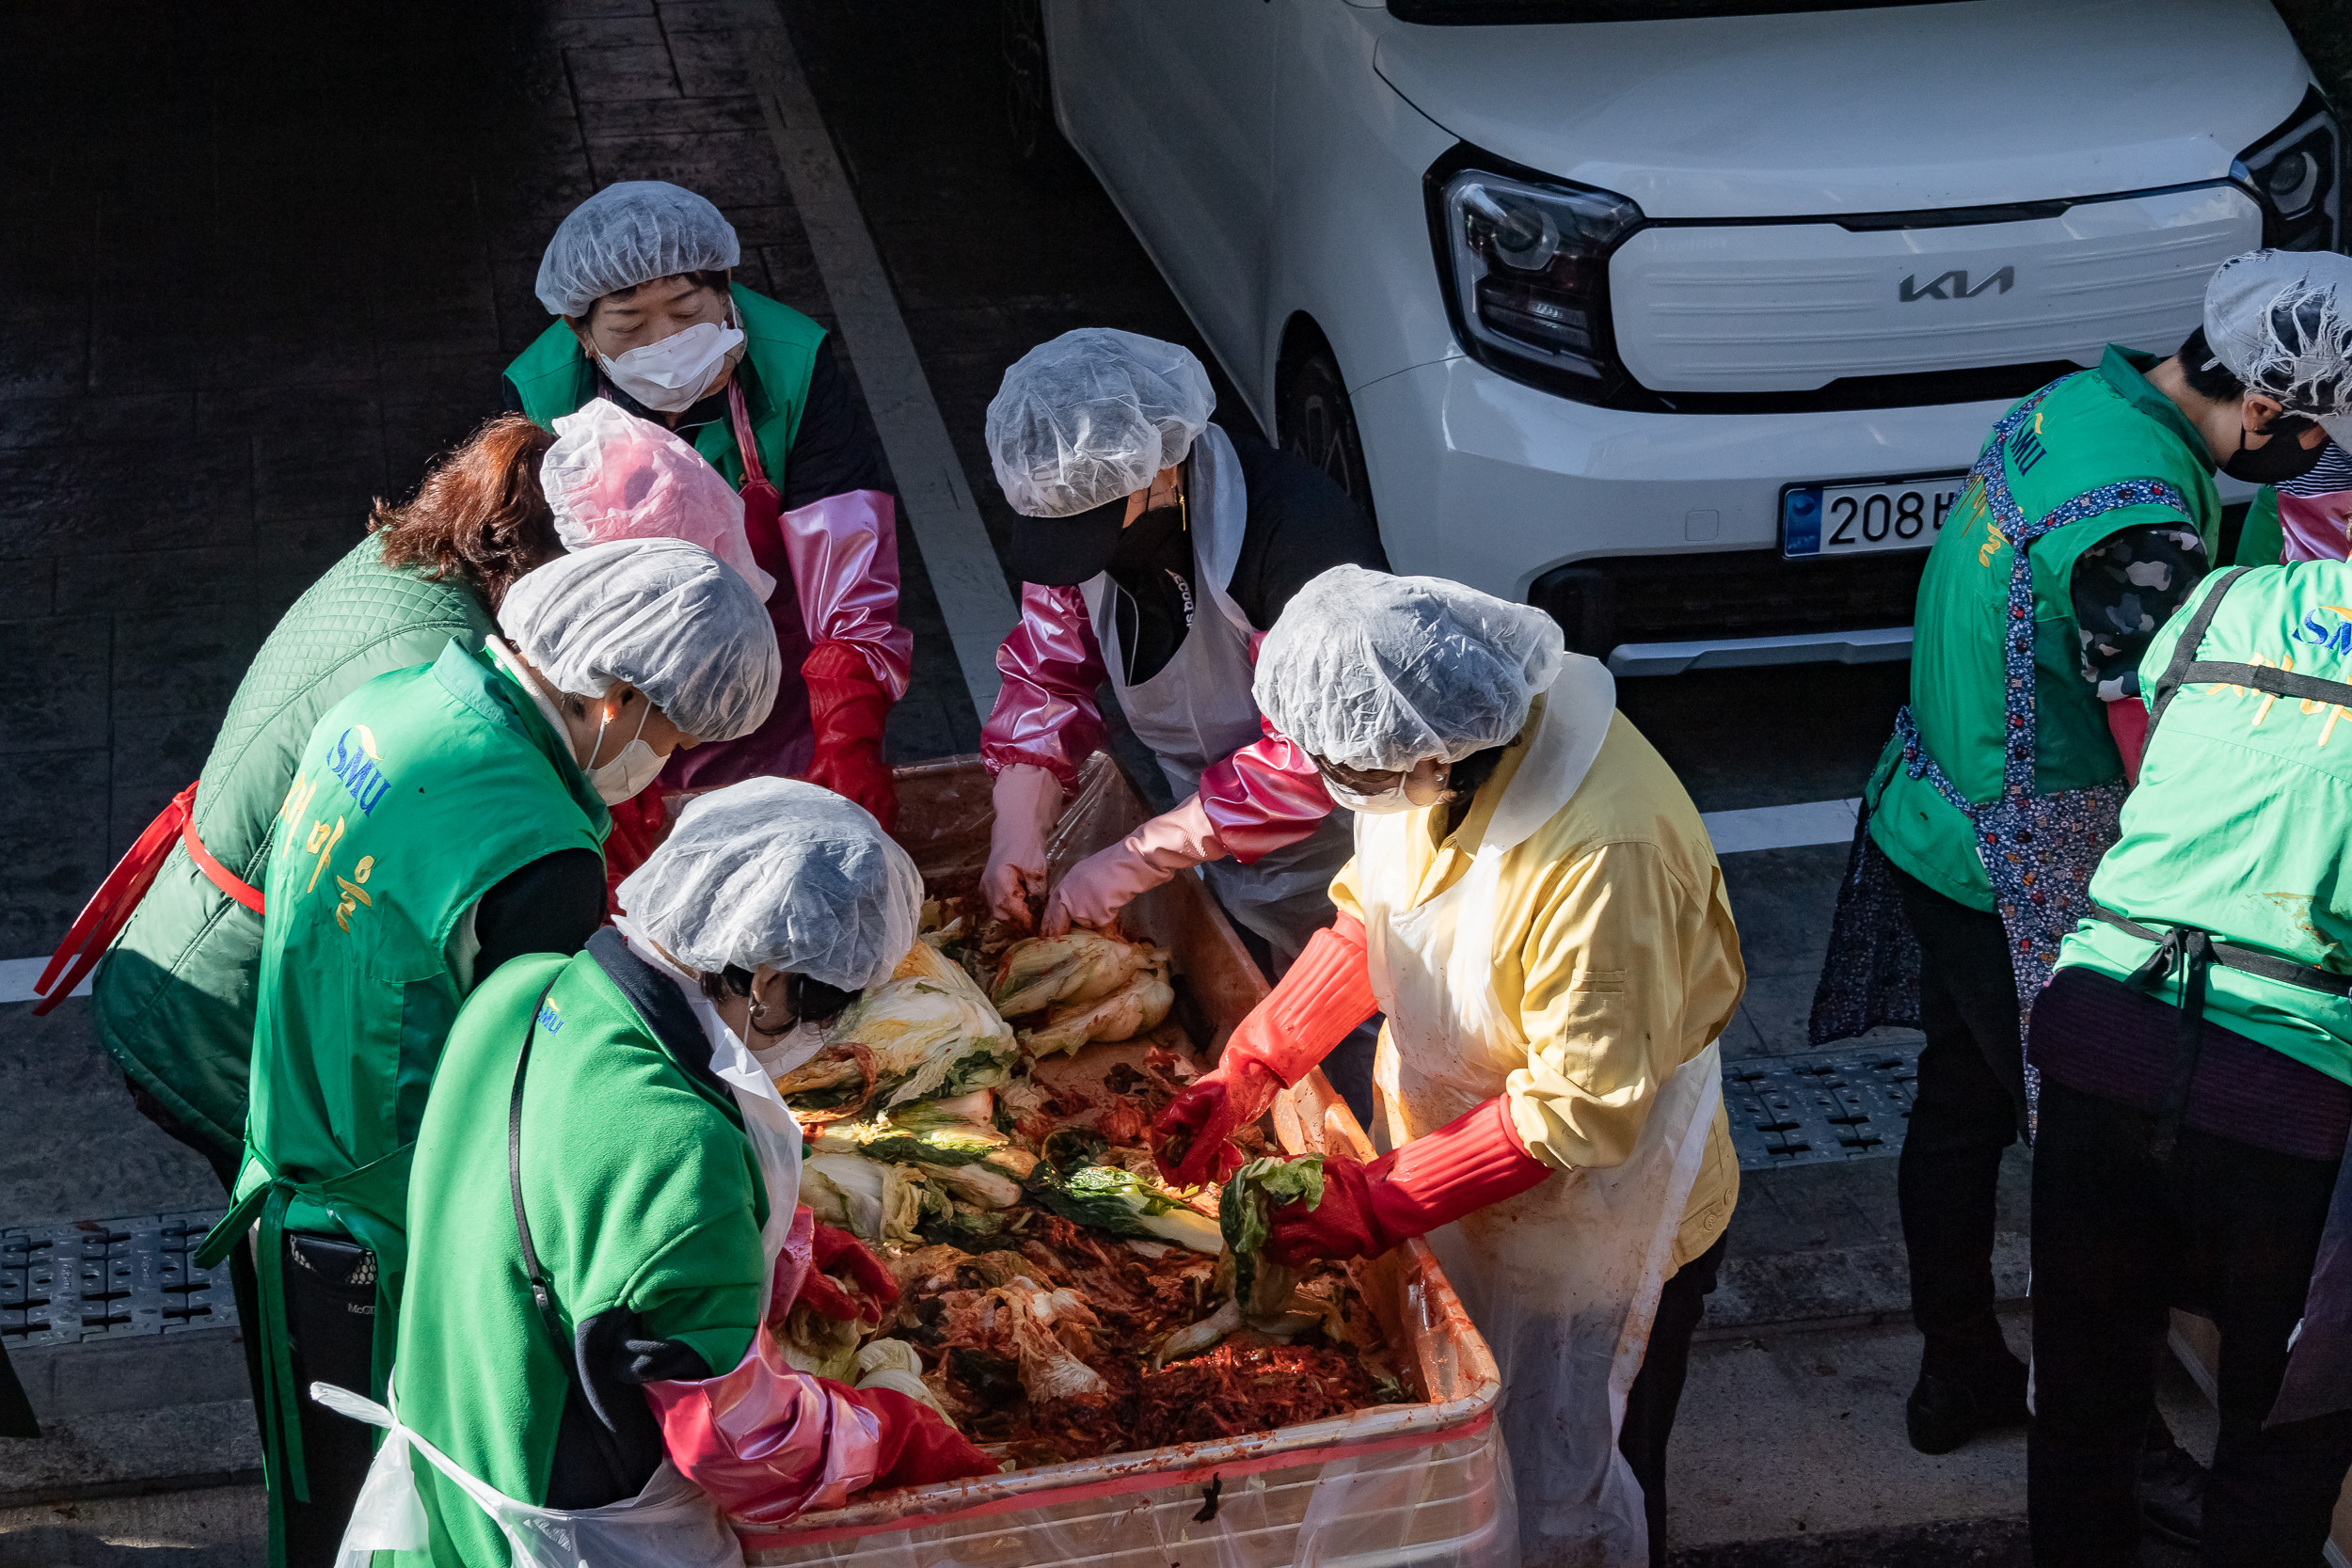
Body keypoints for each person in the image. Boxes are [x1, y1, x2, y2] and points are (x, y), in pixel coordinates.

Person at [1811, 247, 2335, 1489]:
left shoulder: (2079, 407)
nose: (2321, 459)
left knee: (1959, 1101)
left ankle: (1959, 1359)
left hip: (1935, 804)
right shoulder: (2139, 528)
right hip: (2023, 854)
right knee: (2085, 1141)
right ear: (2264, 410)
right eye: (2320, 435)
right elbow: (2184, 734)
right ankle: (2097, 1413)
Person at [194, 537, 780, 1568]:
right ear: (617, 694)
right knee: (400, 1525)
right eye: (676, 731)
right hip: (384, 1243)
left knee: (322, 1508)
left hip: (281, 1164)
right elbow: (563, 1094)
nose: (670, 760)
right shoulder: (539, 848)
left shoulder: (390, 706)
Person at [1152, 566, 1743, 1568]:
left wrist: (1378, 1202)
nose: (1345, 786)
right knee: (1477, 1469)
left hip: (1598, 1211)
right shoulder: (1424, 758)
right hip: (1456, 1170)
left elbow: (1575, 1109)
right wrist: (1254, 1061)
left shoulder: (1604, 848)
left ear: (1435, 752)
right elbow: (1373, 922)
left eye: (1353, 769)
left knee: (1576, 1468)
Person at [325, 780, 990, 1567]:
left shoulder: (525, 986)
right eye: (828, 1005)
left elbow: (574, 1227)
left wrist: (776, 1253)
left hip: (458, 1453)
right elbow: (743, 1444)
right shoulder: (682, 1150)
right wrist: (888, 1434)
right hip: (569, 1530)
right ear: (768, 980)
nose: (828, 1032)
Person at [2025, 249, 2352, 1568]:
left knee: (2090, 1398)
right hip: (2284, 1085)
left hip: (2102, 1028)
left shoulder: (2220, 596)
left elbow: (2182, 748)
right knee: (2283, 1427)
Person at [977, 328, 1391, 1114]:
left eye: (1093, 530)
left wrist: (1141, 853)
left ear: (1161, 469)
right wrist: (1019, 822)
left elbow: (1324, 752)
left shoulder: (1294, 534)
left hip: (1351, 870)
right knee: (1252, 1013)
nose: (1081, 558)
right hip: (1219, 851)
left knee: (1354, 1060)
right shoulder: (1082, 512)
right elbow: (1046, 671)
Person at [505, 180, 911, 840]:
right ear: (579, 331)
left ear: (726, 292)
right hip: (626, 699)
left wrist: (847, 733)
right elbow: (548, 597)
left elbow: (849, 571)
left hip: (782, 689)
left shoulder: (792, 362)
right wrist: (599, 760)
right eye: (630, 326)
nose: (664, 340)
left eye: (688, 310)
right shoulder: (541, 396)